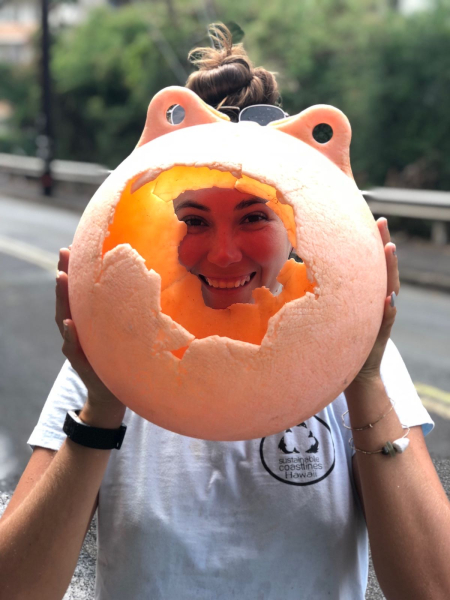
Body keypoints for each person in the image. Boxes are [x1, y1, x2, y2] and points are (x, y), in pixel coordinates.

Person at [1, 24, 450, 600]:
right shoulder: (111, 357)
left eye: (255, 217)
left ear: (300, 225)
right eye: (192, 220)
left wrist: (362, 378)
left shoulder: (353, 356)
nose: (221, 253)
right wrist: (105, 402)